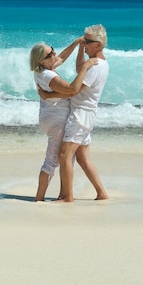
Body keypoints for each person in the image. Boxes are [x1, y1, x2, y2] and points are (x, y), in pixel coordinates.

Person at [42, 24, 109, 203]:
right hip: (86, 115)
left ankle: (67, 197)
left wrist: (48, 94)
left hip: (80, 115)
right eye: (84, 40)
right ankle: (101, 193)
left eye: (87, 42)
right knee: (83, 159)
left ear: (98, 45)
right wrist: (80, 49)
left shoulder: (94, 67)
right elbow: (80, 68)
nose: (84, 43)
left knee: (64, 155)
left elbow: (73, 91)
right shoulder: (100, 63)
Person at [30, 39, 98, 201]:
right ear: (41, 60)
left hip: (50, 116)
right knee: (52, 161)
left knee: (66, 158)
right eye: (50, 54)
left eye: (52, 50)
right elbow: (72, 90)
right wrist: (86, 67)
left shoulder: (44, 68)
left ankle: (63, 194)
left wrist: (76, 44)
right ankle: (38, 199)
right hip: (56, 119)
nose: (54, 54)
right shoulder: (48, 75)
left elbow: (62, 57)